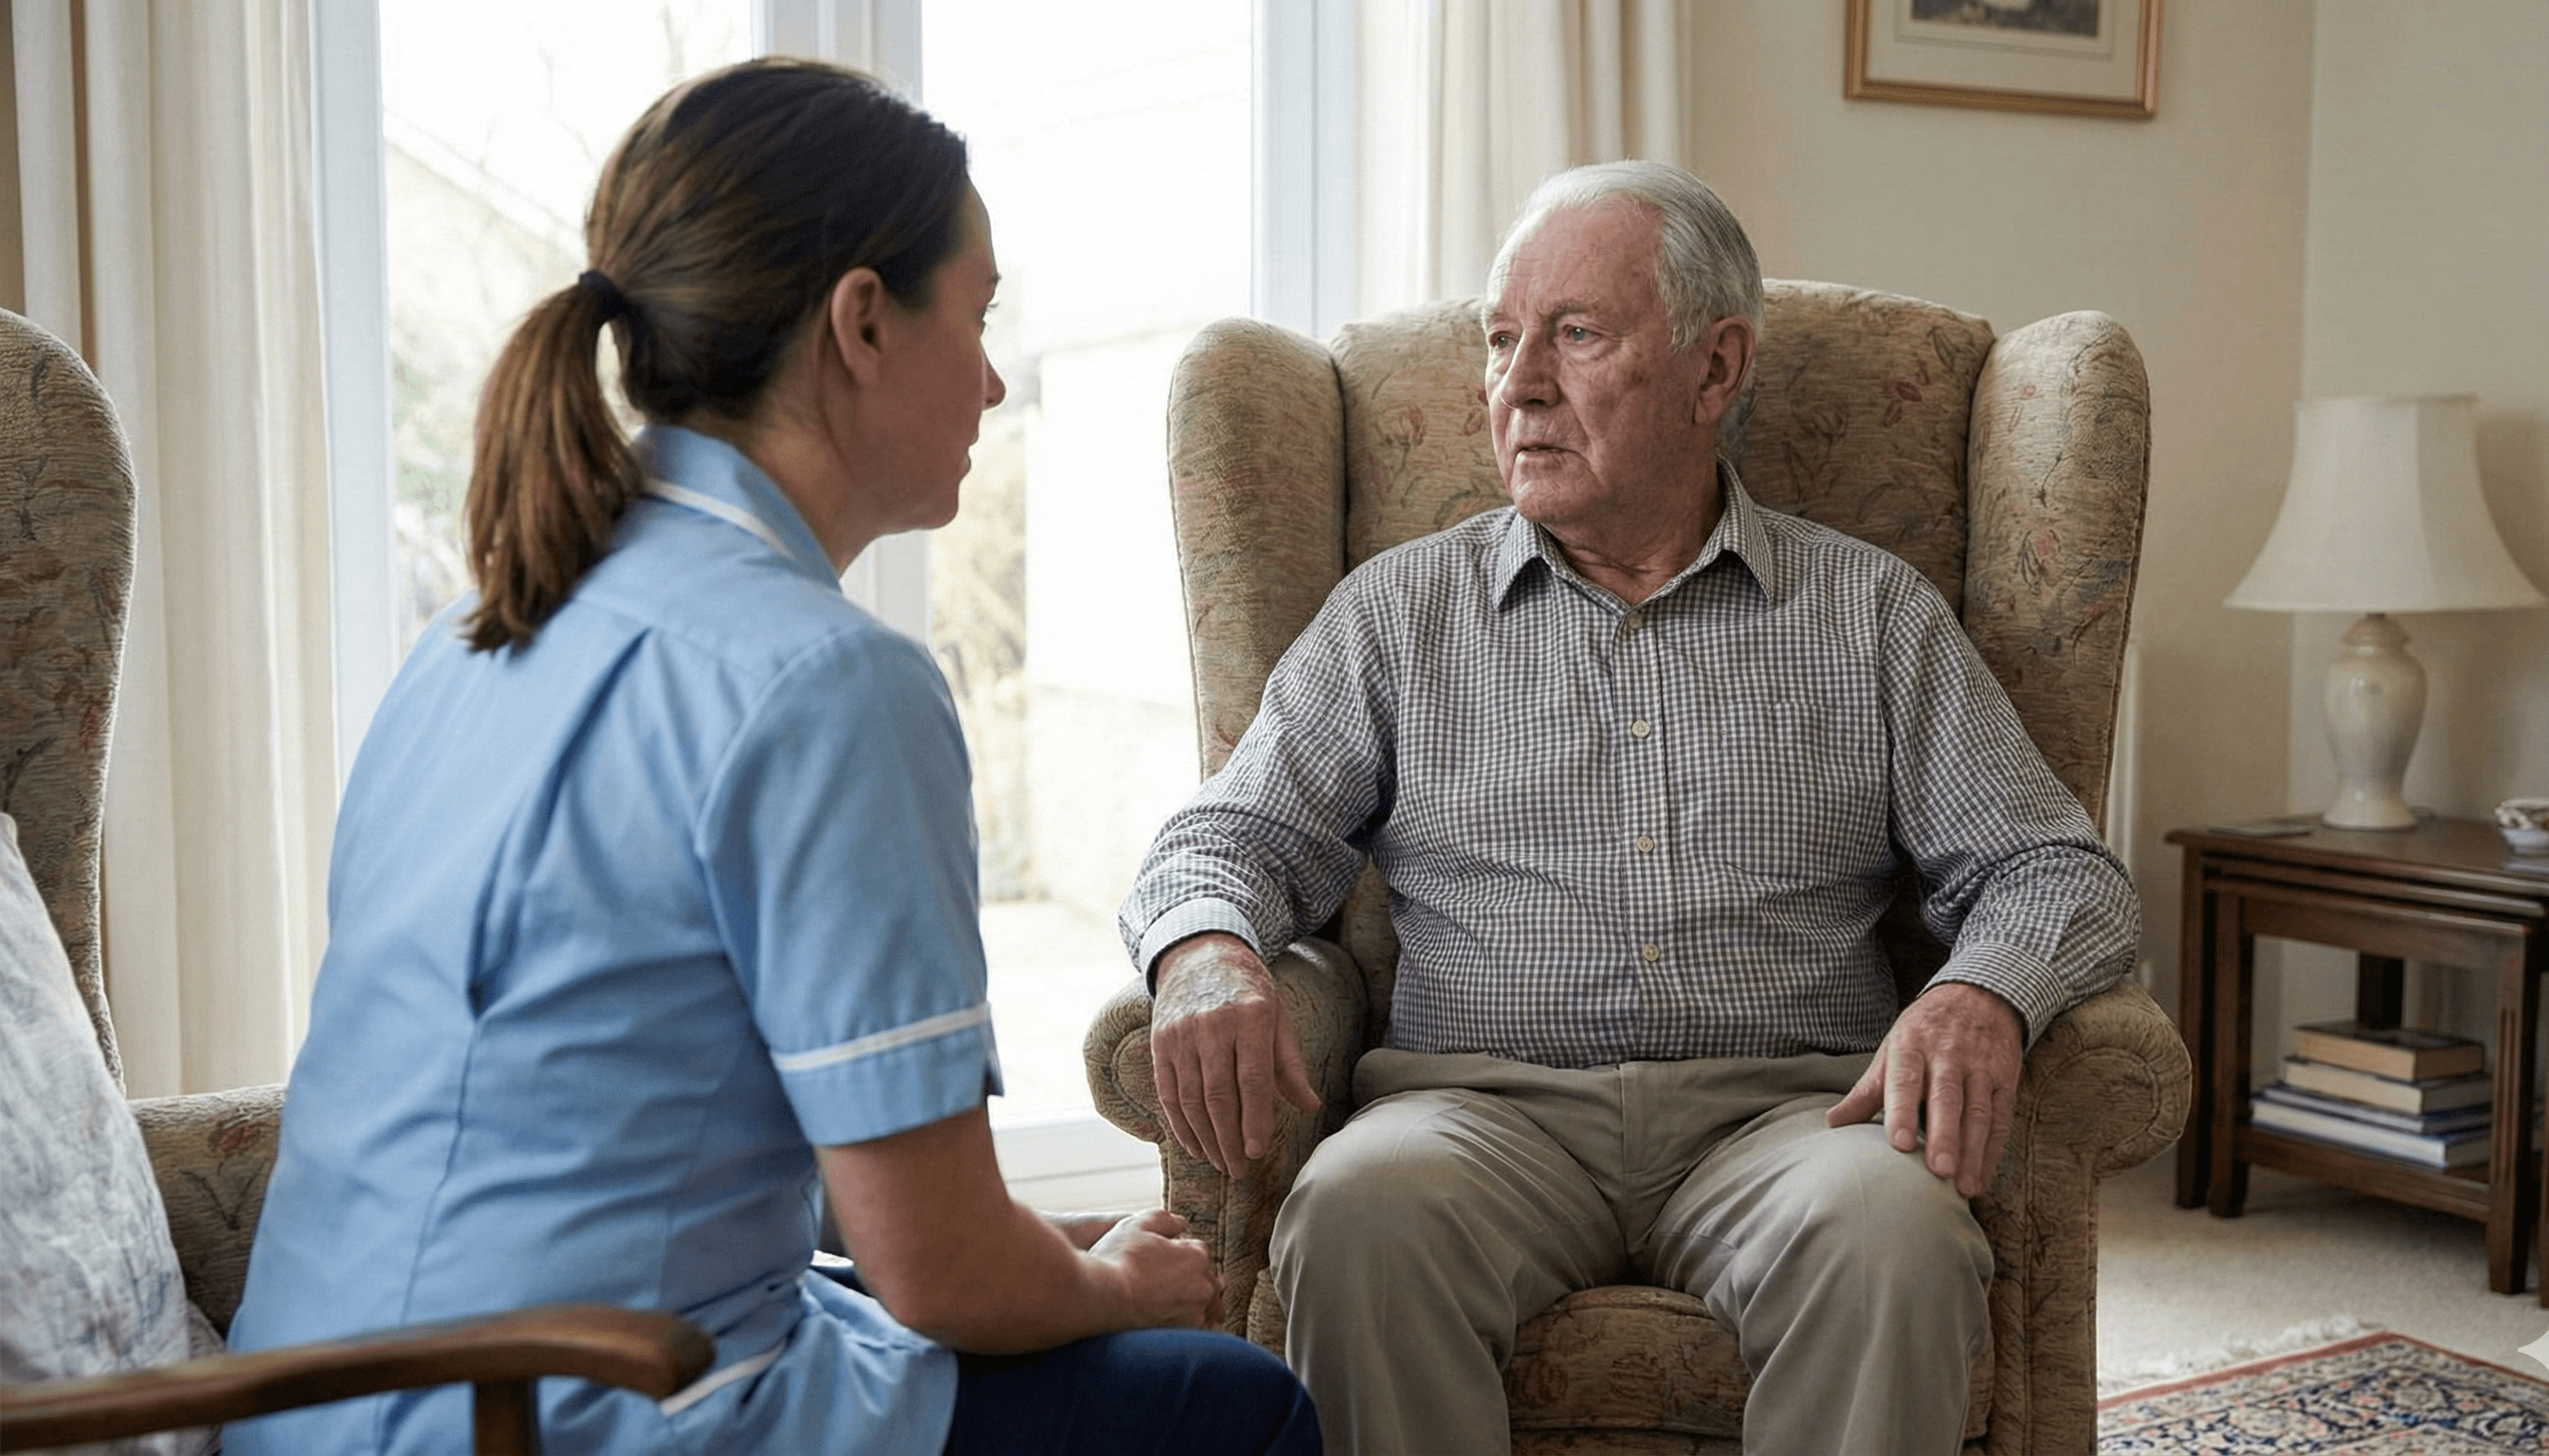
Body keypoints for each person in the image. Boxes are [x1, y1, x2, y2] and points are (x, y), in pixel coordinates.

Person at [228, 60, 1318, 1456]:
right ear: (862, 320)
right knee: (1236, 1409)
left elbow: (666, 1141)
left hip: (311, 1415)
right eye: (977, 317)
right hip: (562, 1416)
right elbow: (941, 1271)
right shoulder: (826, 682)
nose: (993, 381)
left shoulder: (472, 629)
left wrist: (1049, 1260)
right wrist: (1105, 1284)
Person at [1119, 161, 2139, 1455]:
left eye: (1577, 335)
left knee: (1899, 1236)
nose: (1518, 384)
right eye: (1502, 341)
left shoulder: (1869, 615)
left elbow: (2058, 870)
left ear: (1716, 371)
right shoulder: (1397, 616)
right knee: (1357, 1214)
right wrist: (1205, 948)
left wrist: (1982, 990)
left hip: (1794, 1118)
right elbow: (1226, 838)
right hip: (1477, 1115)